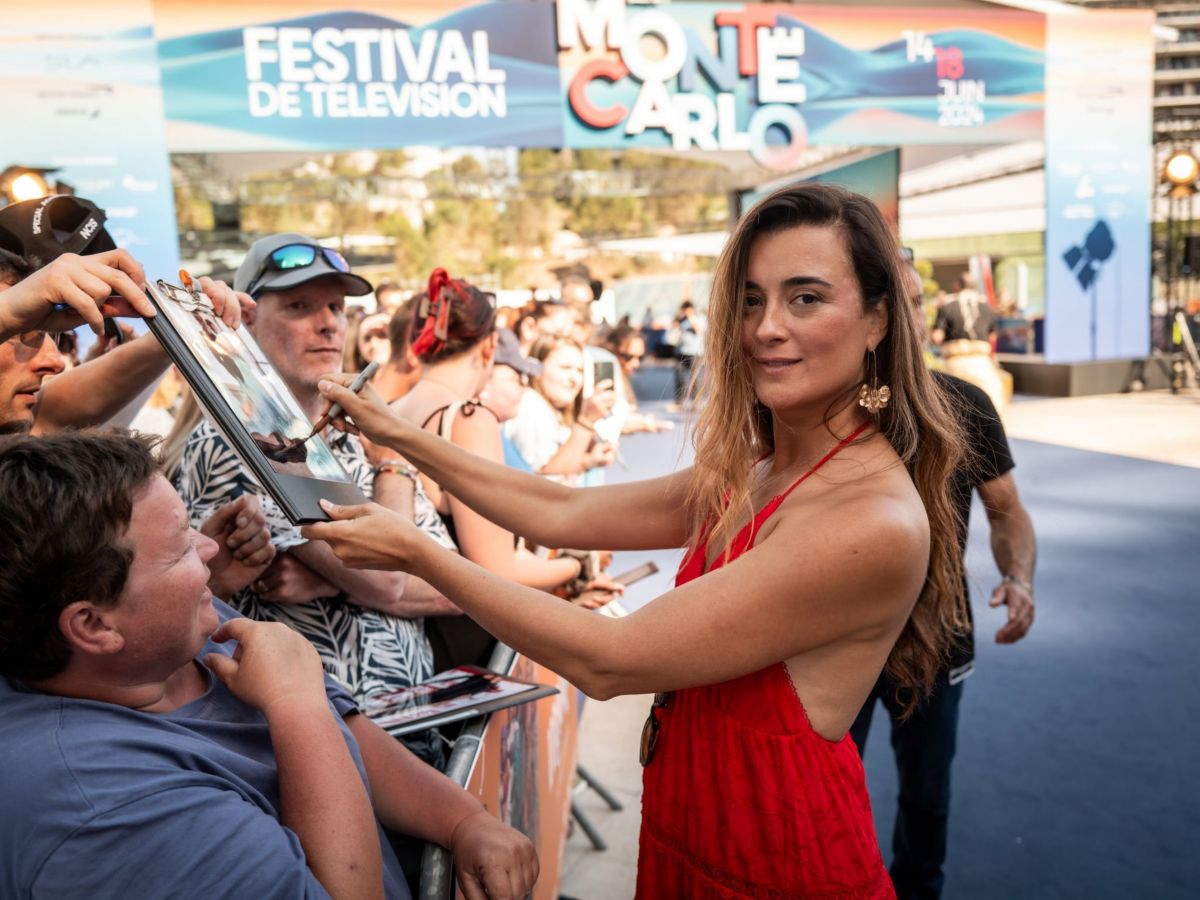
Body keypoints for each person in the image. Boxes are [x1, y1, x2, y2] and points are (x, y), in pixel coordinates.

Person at [303, 182, 969, 897]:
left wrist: (415, 553)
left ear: (876, 320)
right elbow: (556, 510)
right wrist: (396, 432)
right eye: (751, 300)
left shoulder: (869, 517)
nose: (766, 327)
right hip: (695, 836)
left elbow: (610, 659)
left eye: (805, 298)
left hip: (777, 866)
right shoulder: (767, 468)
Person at [0, 431, 537, 900]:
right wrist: (296, 706)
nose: (208, 547)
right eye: (180, 550)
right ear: (94, 626)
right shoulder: (104, 809)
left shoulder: (172, 636)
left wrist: (464, 820)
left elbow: (351, 735)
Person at [175, 232, 455, 765]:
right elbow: (394, 577)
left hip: (420, 734)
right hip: (329, 755)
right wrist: (393, 464)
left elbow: (458, 582)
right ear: (246, 319)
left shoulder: (353, 435)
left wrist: (335, 580)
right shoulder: (239, 442)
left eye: (335, 306)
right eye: (300, 306)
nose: (327, 322)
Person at [849, 267, 1037, 900]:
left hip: (937, 637)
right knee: (818, 786)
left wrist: (1019, 577)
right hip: (833, 638)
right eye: (894, 302)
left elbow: (1006, 511)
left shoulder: (964, 403)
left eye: (918, 301)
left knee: (927, 795)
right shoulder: (819, 410)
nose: (911, 314)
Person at [389, 269, 607, 668]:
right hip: (458, 646)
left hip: (404, 636)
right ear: (489, 347)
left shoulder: (391, 411)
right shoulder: (467, 419)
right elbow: (496, 568)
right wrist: (577, 566)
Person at [0, 195, 247, 435]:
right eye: (19, 331)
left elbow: (62, 408)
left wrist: (184, 320)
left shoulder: (23, 430)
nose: (54, 362)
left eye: (48, 333)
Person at [505, 334, 616, 485]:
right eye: (565, 368)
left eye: (580, 371)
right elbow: (546, 475)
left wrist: (590, 460)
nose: (574, 379)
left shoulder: (552, 409)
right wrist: (586, 422)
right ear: (537, 368)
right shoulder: (531, 405)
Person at [931, 273, 1006, 411]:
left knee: (953, 411)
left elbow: (937, 337)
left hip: (955, 365)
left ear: (957, 286)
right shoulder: (987, 308)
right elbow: (992, 337)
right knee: (991, 410)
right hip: (982, 365)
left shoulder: (948, 306)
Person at [604, 323, 673, 434]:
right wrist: (640, 423)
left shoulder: (621, 378)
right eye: (628, 357)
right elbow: (603, 423)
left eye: (640, 358)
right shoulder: (604, 380)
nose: (636, 363)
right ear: (612, 350)